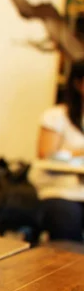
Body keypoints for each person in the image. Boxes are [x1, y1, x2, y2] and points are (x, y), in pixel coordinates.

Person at [32, 61, 84, 241]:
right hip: (60, 191)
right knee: (66, 217)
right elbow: (47, 153)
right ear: (79, 84)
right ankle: (68, 267)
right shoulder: (56, 116)